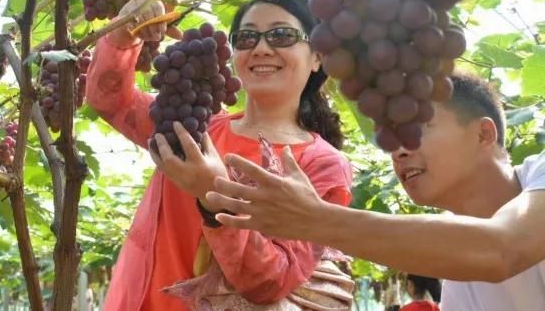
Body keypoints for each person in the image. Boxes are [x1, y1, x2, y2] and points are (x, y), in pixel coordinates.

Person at [86, 0, 354, 310]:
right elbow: (110, 99)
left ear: (317, 57)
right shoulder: (195, 126)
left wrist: (212, 194)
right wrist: (127, 28)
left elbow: (272, 281)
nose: (261, 48)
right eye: (246, 38)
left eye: (281, 35)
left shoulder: (323, 164)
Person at [205, 73, 545, 311]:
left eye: (416, 129)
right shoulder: (457, 270)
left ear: (484, 134)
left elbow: (503, 250)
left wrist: (317, 220)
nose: (398, 151)